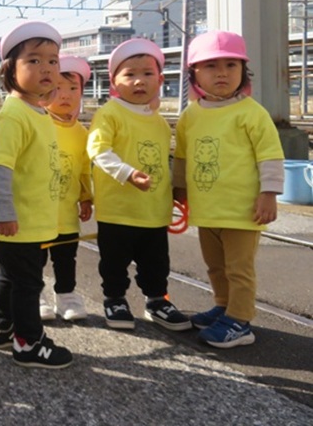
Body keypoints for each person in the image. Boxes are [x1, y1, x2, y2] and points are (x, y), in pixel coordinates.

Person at [174, 31, 284, 348]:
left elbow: (270, 155)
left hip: (243, 209)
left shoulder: (251, 113)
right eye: (211, 66)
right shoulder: (191, 115)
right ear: (194, 74)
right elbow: (181, 156)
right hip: (208, 208)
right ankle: (223, 305)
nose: (222, 73)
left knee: (239, 268)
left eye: (230, 65)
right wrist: (178, 191)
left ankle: (240, 320)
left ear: (242, 72)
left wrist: (269, 194)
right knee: (215, 265)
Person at [0, 21, 73, 369]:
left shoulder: (37, 111)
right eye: (34, 61)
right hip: (16, 222)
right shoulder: (14, 115)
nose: (47, 68)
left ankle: (1, 327)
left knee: (10, 277)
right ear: (10, 70)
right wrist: (4, 212)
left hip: (31, 221)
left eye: (53, 61)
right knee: (27, 283)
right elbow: (0, 168)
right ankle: (29, 342)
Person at [87, 38, 191, 332]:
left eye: (147, 74)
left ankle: (157, 300)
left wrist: (173, 194)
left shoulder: (158, 121)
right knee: (114, 261)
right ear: (114, 81)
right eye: (129, 74)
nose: (139, 81)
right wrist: (128, 174)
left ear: (159, 80)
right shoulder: (109, 113)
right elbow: (98, 151)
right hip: (117, 209)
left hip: (154, 210)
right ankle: (115, 298)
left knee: (156, 262)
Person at [40, 55, 93, 322]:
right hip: (38, 211)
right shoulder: (39, 124)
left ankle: (66, 296)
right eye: (59, 88)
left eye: (74, 89)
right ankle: (36, 294)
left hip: (67, 211)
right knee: (35, 257)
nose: (66, 95)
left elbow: (84, 168)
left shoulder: (82, 132)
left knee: (66, 256)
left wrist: (86, 197)